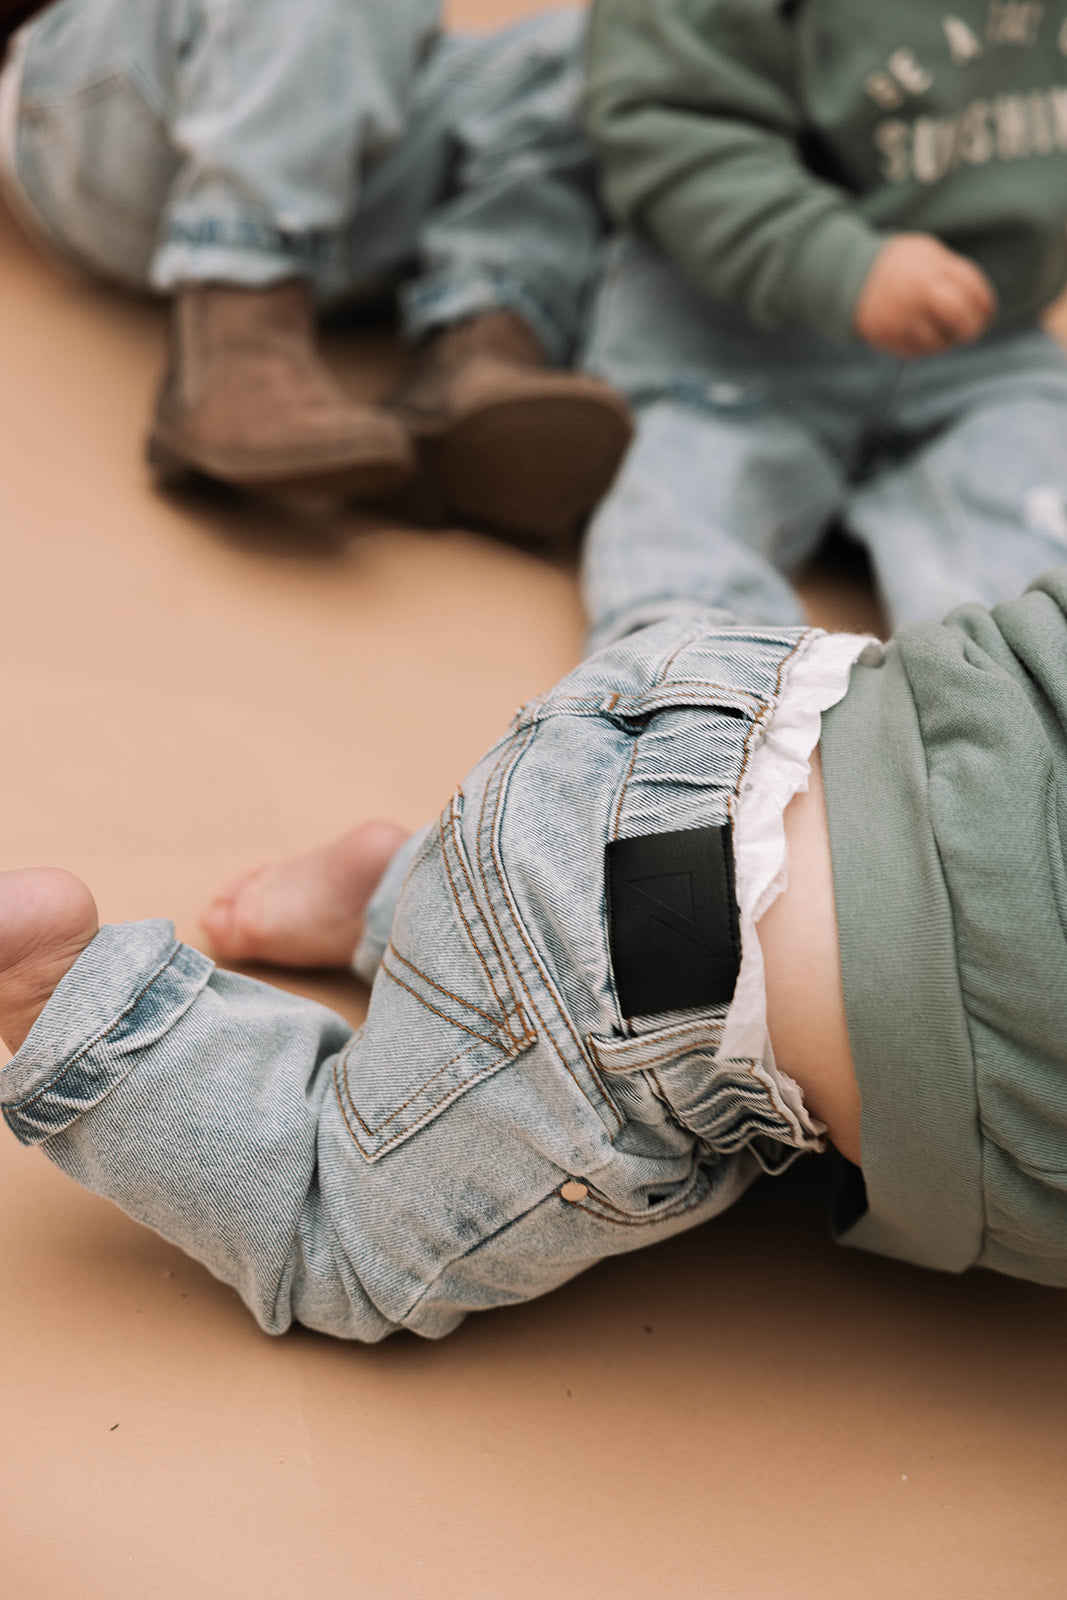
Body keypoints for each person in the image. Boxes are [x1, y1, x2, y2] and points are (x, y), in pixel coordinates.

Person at [4, 511, 1067, 1337]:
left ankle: (408, 886)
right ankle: (83, 1005)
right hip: (642, 965)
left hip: (735, 686)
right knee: (340, 1239)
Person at [0, 0, 631, 540]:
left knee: (601, 50)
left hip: (335, 136)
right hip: (116, 99)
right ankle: (239, 330)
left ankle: (482, 348)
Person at [579, 0, 1067, 629]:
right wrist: (835, 260)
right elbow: (664, 117)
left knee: (1036, 569)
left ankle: (1012, 687)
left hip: (987, 348)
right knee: (682, 529)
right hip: (732, 340)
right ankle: (707, 689)